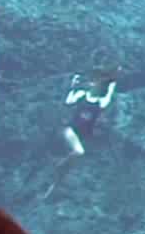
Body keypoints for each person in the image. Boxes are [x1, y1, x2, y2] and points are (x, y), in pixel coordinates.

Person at [42, 65, 119, 200]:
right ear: (91, 82)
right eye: (95, 81)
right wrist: (73, 85)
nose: (97, 85)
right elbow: (68, 102)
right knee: (79, 152)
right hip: (70, 130)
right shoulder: (81, 94)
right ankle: (58, 166)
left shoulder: (101, 102)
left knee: (70, 166)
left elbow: (110, 89)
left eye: (100, 83)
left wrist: (115, 75)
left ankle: (55, 185)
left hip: (83, 136)